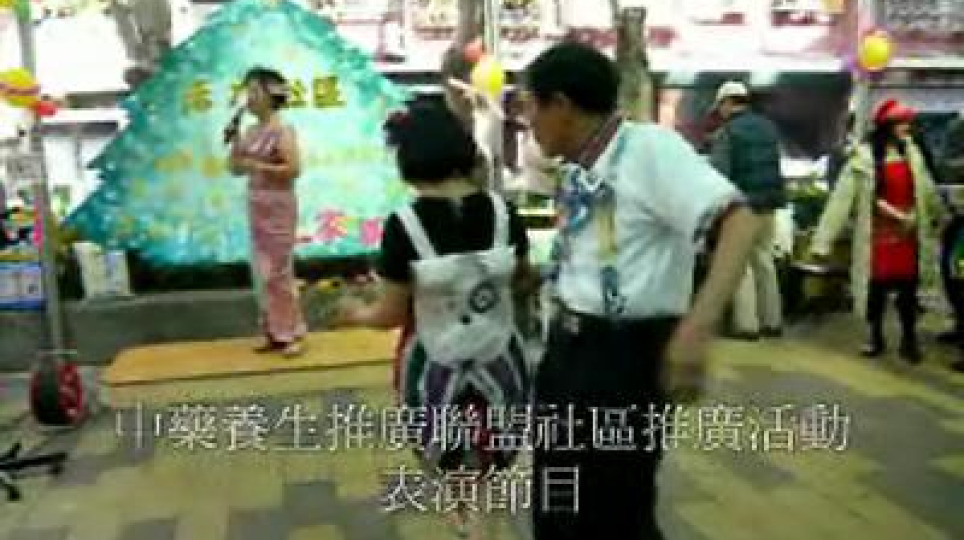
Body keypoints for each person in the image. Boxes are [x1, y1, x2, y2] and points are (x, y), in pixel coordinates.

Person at [520, 42, 762, 540]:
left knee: (613, 511)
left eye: (531, 107)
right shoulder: (582, 163)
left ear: (561, 105)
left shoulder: (650, 149)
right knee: (558, 502)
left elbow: (739, 221)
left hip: (621, 360)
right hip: (568, 352)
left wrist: (697, 328)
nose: (528, 122)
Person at [335, 102, 533, 540]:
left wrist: (356, 312)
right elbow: (522, 280)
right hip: (502, 360)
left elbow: (390, 312)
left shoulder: (404, 226)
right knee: (490, 455)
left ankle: (468, 521)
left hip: (434, 367)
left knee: (451, 459)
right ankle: (479, 518)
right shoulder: (504, 214)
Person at [811, 99, 944, 363]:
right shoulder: (863, 160)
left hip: (909, 235)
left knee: (909, 290)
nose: (907, 127)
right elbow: (841, 201)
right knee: (877, 290)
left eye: (908, 122)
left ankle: (909, 339)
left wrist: (937, 216)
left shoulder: (912, 154)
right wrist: (822, 242)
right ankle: (875, 337)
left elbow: (926, 190)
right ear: (887, 126)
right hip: (878, 237)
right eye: (901, 123)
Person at [227, 67, 306, 358]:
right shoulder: (250, 132)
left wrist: (257, 166)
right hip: (257, 204)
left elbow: (293, 169)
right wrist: (235, 143)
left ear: (272, 95)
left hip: (278, 204)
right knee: (261, 272)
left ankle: (293, 332)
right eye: (247, 91)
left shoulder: (282, 130)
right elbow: (235, 169)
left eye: (255, 91)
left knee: (279, 272)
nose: (249, 97)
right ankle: (273, 331)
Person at [710, 80, 786, 339]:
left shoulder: (727, 132)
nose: (719, 112)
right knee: (764, 259)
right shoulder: (768, 127)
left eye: (720, 106)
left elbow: (719, 175)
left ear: (727, 103)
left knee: (741, 265)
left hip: (743, 205)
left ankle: (746, 325)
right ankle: (772, 321)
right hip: (770, 203)